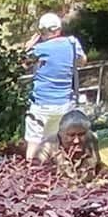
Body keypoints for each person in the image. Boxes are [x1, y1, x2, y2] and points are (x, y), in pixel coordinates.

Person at [25, 12, 86, 160]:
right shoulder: (72, 43)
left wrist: (28, 47)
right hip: (65, 105)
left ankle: (30, 176)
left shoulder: (39, 49)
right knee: (61, 144)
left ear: (41, 31)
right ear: (59, 29)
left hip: (42, 106)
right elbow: (82, 61)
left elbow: (24, 63)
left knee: (34, 144)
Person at [47, 110, 108, 182]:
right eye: (71, 135)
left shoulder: (90, 140)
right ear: (60, 134)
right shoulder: (47, 148)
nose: (77, 140)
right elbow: (37, 179)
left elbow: (97, 165)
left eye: (81, 134)